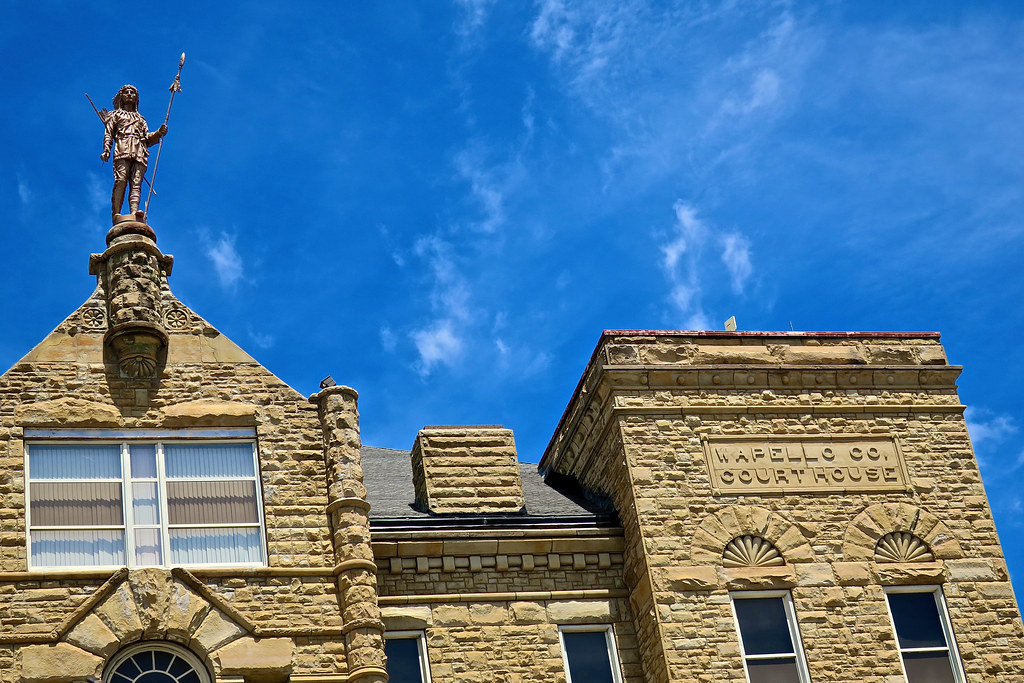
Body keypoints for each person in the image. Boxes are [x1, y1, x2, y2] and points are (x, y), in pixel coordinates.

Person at [101, 85, 167, 221]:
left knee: (136, 183)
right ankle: (116, 214)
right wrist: (106, 149)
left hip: (139, 150)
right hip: (122, 147)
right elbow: (108, 134)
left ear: (136, 97)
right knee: (121, 180)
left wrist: (159, 133)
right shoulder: (115, 115)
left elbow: (147, 138)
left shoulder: (141, 119)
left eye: (133, 93)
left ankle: (135, 212)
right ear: (121, 96)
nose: (130, 94)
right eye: (127, 92)